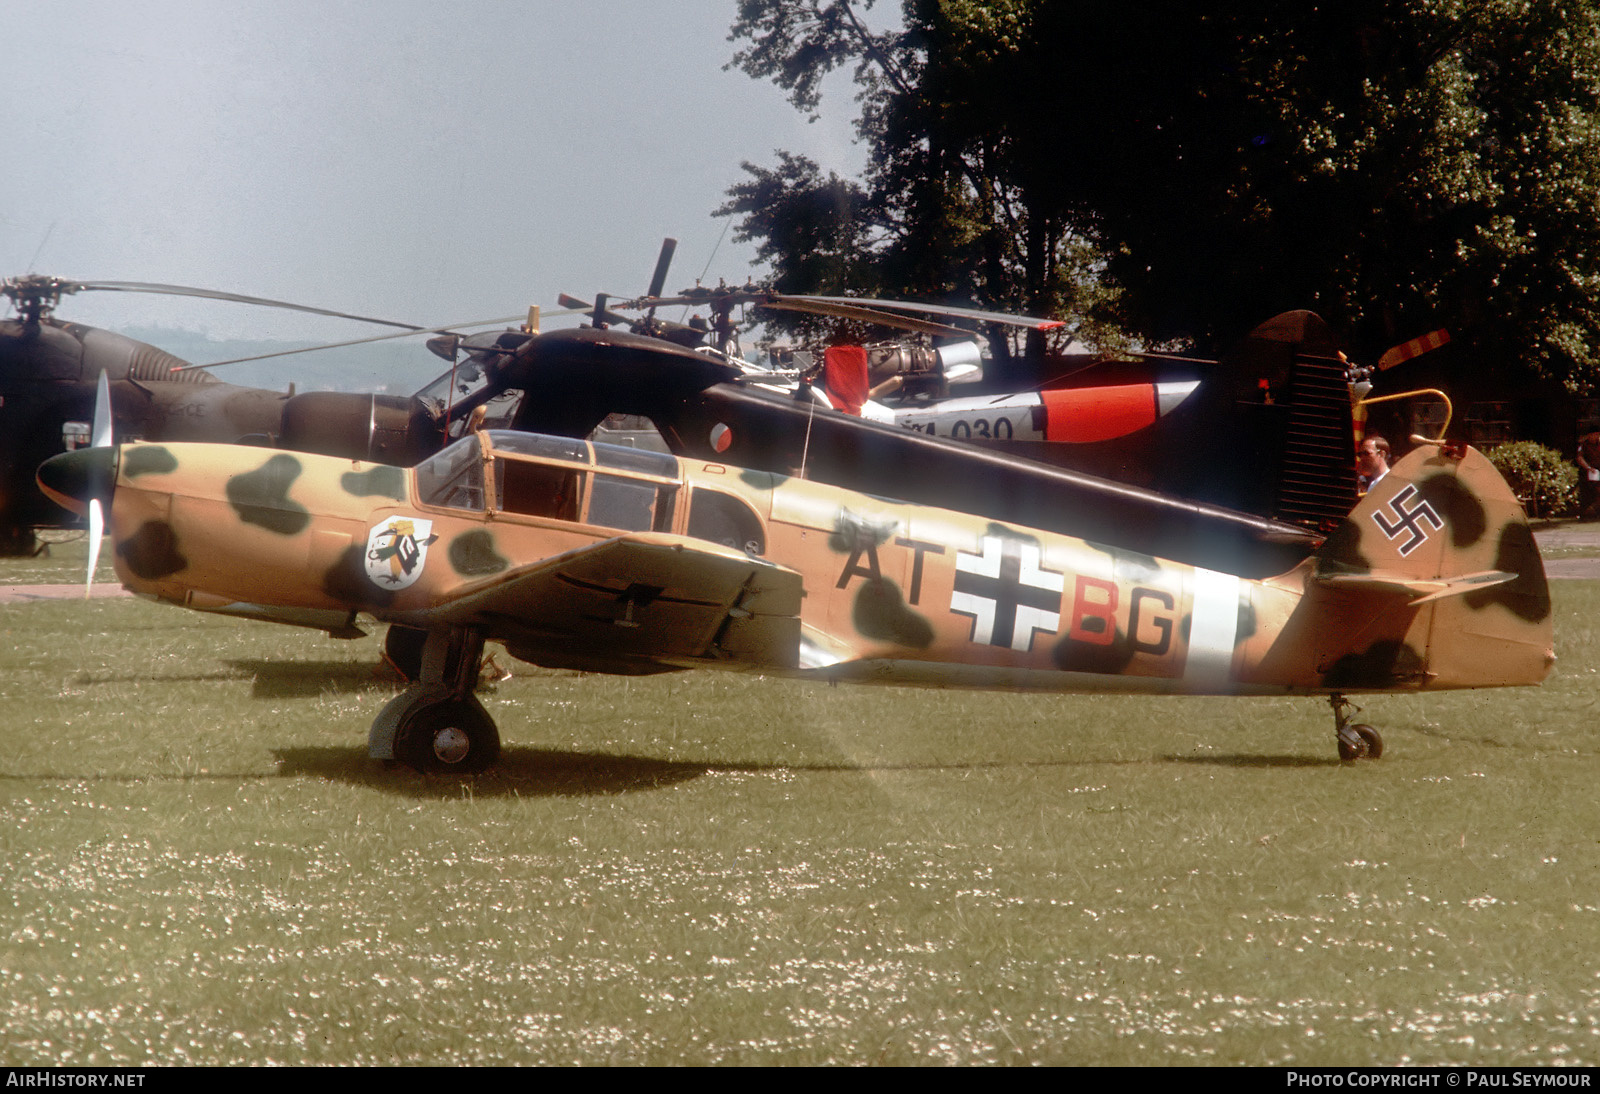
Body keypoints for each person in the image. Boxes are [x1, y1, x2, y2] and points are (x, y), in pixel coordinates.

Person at [1577, 428, 1600, 520]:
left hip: (1598, 471)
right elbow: (1580, 458)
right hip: (1588, 472)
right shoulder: (1583, 445)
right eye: (1595, 435)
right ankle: (1585, 514)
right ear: (1589, 435)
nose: (1596, 437)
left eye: (1598, 435)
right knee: (1587, 494)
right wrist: (1588, 468)